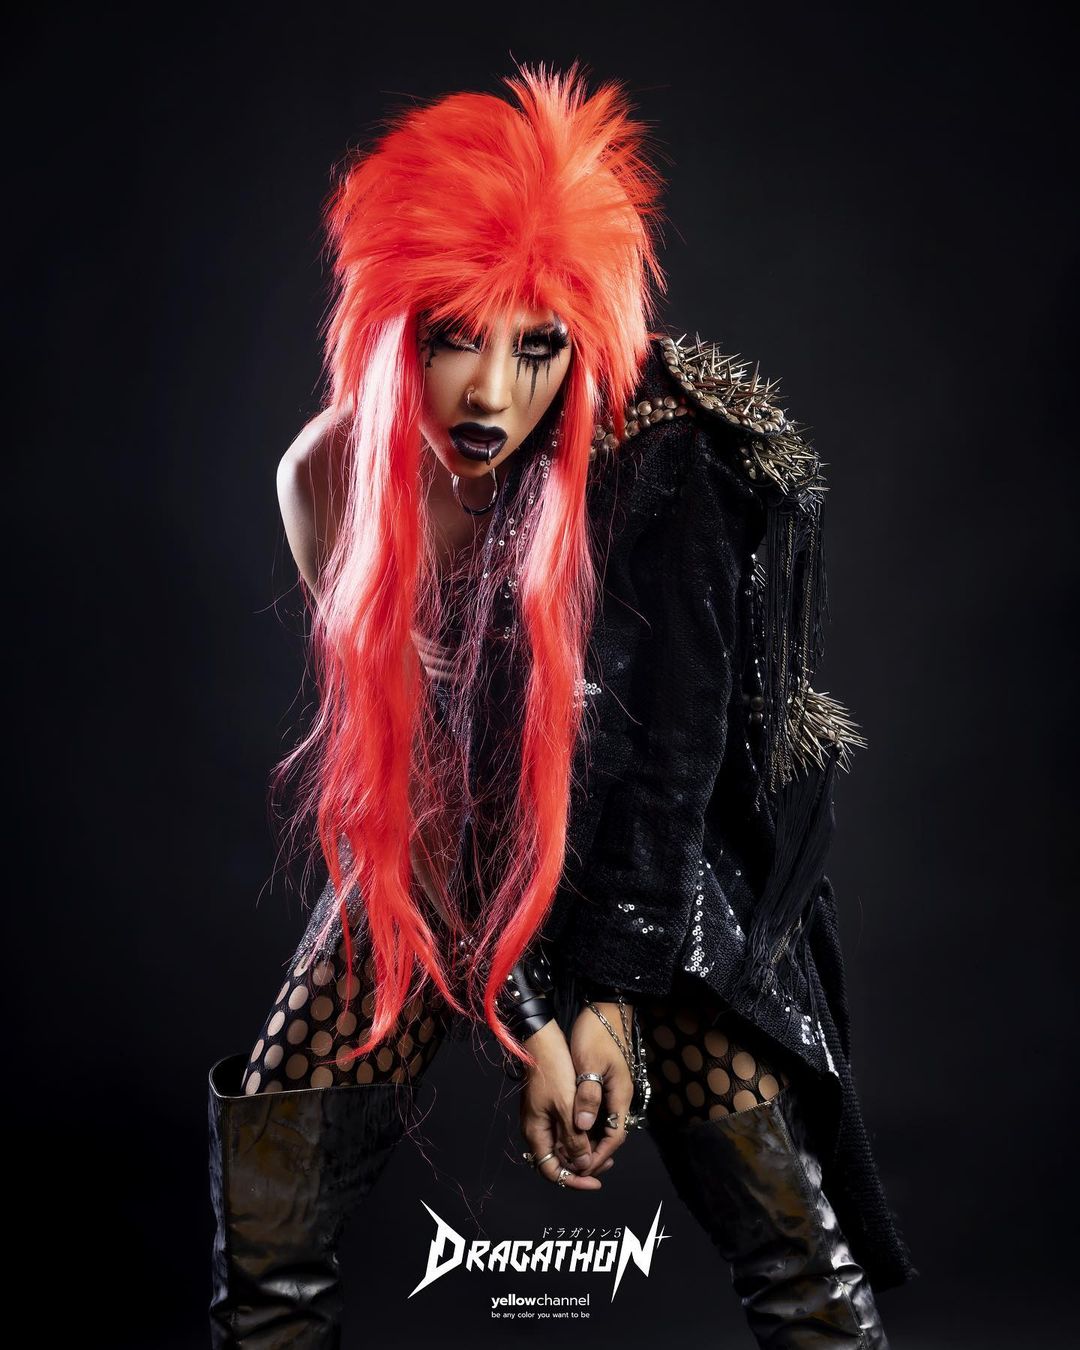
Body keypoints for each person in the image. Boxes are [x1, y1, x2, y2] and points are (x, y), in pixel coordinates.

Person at [207, 62, 916, 1349]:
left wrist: (603, 1003)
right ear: (391, 323)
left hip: (651, 879)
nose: (492, 392)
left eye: (536, 345)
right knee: (268, 1210)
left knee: (791, 1254)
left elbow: (669, 773)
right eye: (454, 335)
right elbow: (424, 789)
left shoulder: (662, 458)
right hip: (455, 858)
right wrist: (523, 1017)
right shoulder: (332, 479)